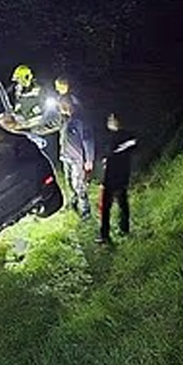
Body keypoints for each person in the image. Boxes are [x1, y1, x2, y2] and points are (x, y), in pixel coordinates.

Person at [54, 78, 94, 218]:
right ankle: (73, 202)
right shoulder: (64, 120)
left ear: (67, 105)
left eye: (60, 106)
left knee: (79, 184)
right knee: (69, 182)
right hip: (66, 156)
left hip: (77, 158)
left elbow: (88, 140)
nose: (59, 109)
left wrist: (89, 160)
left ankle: (85, 211)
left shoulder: (80, 120)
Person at [97, 112, 137, 244]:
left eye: (111, 119)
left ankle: (105, 235)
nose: (109, 121)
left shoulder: (115, 137)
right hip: (123, 175)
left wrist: (110, 156)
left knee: (106, 206)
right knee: (122, 202)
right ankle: (124, 229)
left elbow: (112, 154)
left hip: (112, 175)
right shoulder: (128, 136)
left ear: (116, 121)